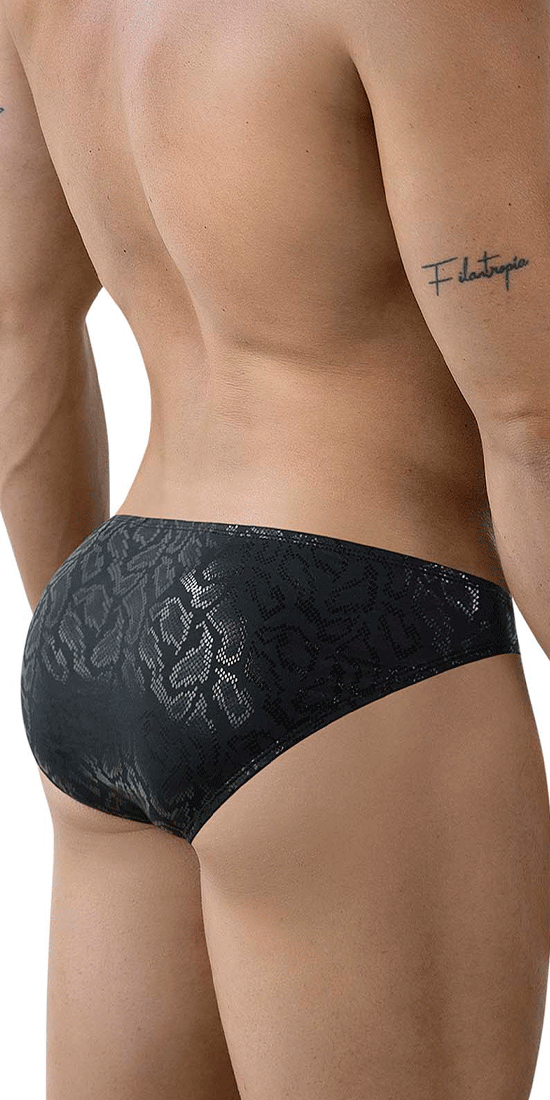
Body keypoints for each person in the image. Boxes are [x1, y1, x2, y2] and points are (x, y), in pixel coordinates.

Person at [1, 1, 549, 1097]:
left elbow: (17, 333)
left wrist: (114, 643)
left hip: (104, 621)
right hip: (358, 622)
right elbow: (530, 413)